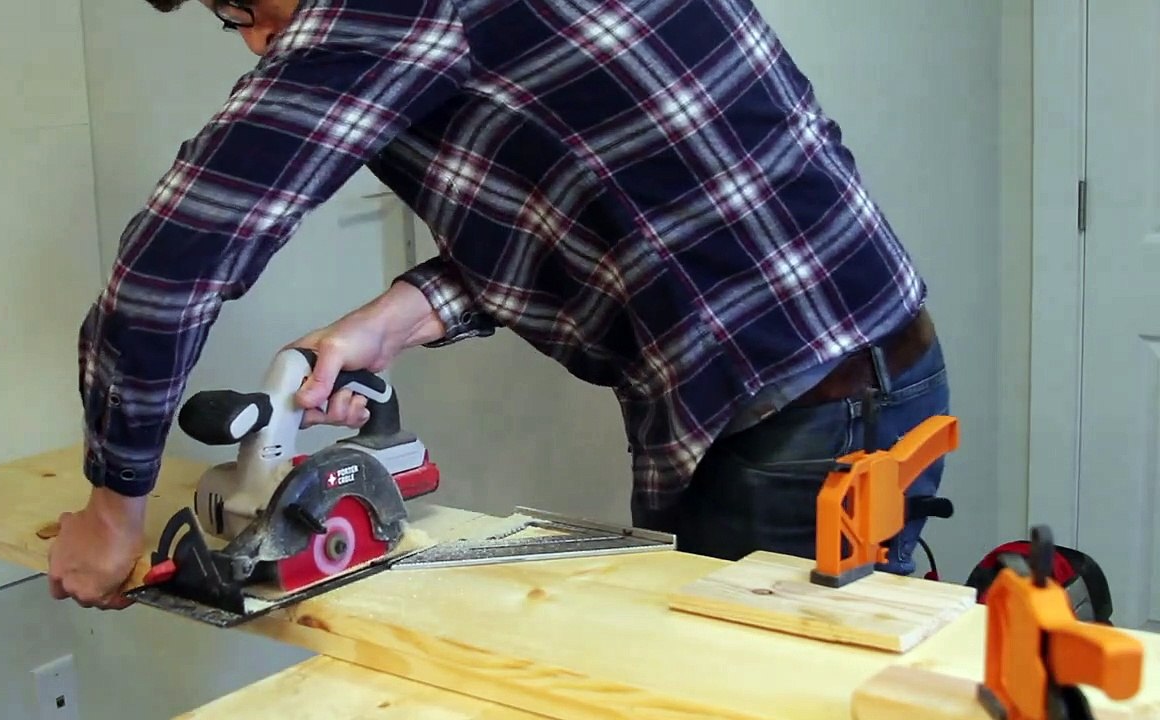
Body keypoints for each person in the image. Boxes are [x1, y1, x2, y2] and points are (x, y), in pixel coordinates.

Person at [47, 0, 950, 610]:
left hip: (806, 418)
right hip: (854, 366)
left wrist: (113, 516)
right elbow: (610, 193)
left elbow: (167, 272)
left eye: (239, 5)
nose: (252, 41)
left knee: (747, 692)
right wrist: (398, 316)